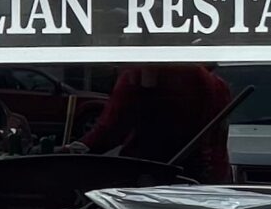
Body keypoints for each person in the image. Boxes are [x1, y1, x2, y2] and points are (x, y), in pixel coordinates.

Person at [75, 63, 234, 180]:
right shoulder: (217, 85)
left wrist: (77, 150)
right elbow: (217, 142)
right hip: (201, 179)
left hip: (149, 177)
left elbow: (110, 130)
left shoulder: (137, 76)